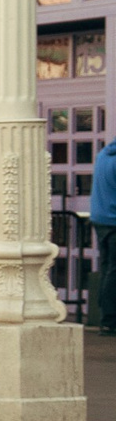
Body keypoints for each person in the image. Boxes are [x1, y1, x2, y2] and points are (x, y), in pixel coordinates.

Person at [93, 139, 116, 332]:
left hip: (100, 219)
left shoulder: (102, 155)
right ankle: (110, 321)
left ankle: (105, 318)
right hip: (113, 219)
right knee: (113, 270)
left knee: (107, 268)